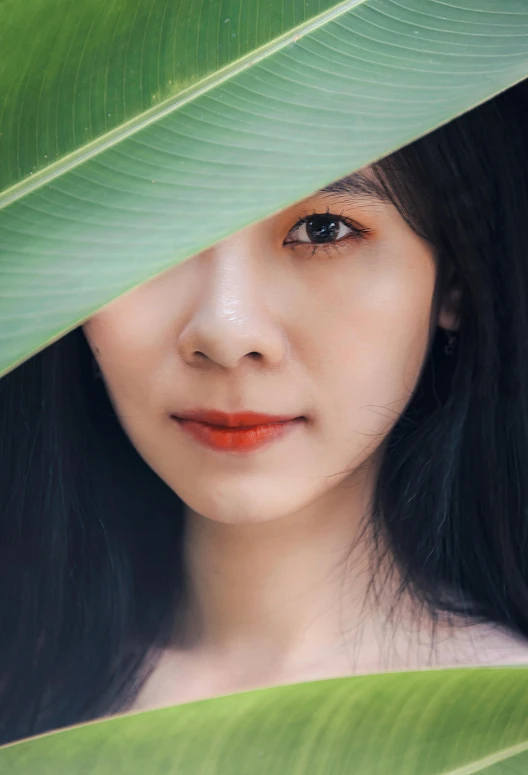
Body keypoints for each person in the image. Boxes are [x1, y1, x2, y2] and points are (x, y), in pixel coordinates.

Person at [2, 77, 528, 747]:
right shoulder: (22, 705)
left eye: (322, 229)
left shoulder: (505, 733)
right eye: (155, 231)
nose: (226, 331)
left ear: (453, 275)